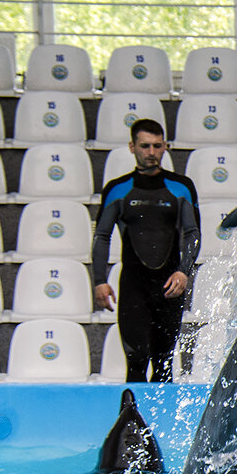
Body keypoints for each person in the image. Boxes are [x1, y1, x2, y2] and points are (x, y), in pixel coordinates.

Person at [91, 118, 200, 382]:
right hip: (134, 287)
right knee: (136, 361)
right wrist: (99, 281)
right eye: (145, 146)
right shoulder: (118, 189)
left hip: (170, 287)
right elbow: (102, 235)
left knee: (164, 363)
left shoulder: (181, 187)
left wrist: (184, 272)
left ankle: (161, 411)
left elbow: (193, 233)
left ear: (165, 147)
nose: (151, 152)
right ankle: (133, 411)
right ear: (132, 147)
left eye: (157, 146)